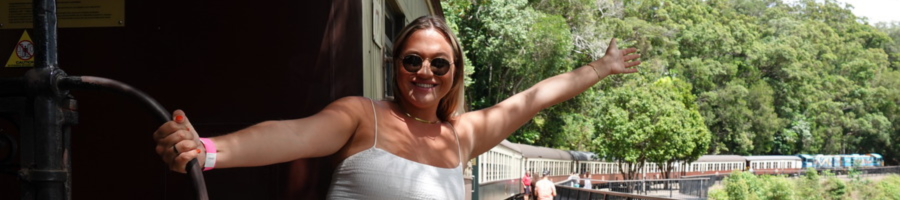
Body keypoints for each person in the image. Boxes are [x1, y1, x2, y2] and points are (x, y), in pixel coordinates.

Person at [153, 15, 640, 199]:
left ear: (454, 72)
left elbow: (534, 98)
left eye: (439, 63)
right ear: (397, 66)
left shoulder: (462, 136)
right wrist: (207, 150)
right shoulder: (360, 116)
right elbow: (290, 135)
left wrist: (600, 68)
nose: (425, 72)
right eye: (413, 60)